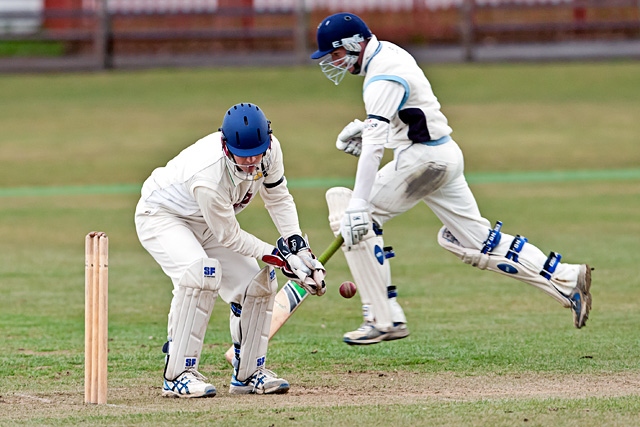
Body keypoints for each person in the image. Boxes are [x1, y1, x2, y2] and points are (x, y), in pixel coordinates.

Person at [310, 12, 592, 346]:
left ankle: (382, 318)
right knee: (473, 241)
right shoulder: (388, 53)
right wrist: (371, 130)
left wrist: (360, 203)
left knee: (349, 212)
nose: (334, 62)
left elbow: (373, 145)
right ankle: (567, 276)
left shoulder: (380, 78)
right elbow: (409, 115)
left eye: (336, 54)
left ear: (354, 45)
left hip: (423, 160)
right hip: (442, 154)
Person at [135, 102, 326, 397]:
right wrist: (282, 259)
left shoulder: (272, 151)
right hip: (162, 216)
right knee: (201, 274)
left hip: (208, 223)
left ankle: (248, 374)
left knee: (258, 284)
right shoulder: (208, 175)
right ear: (226, 147)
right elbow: (231, 236)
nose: (251, 163)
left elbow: (278, 197)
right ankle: (177, 374)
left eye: (256, 155)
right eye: (243, 156)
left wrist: (298, 248)